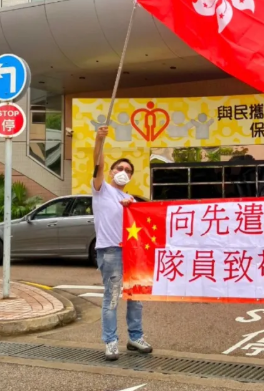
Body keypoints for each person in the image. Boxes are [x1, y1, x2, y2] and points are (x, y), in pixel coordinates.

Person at [92, 125, 152, 361]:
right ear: (111, 172)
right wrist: (100, 141)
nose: (123, 172)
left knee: (136, 297)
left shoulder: (130, 198)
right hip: (111, 251)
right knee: (113, 297)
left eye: (128, 170)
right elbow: (98, 164)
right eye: (120, 168)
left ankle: (135, 337)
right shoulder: (101, 189)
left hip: (132, 253)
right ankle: (110, 342)